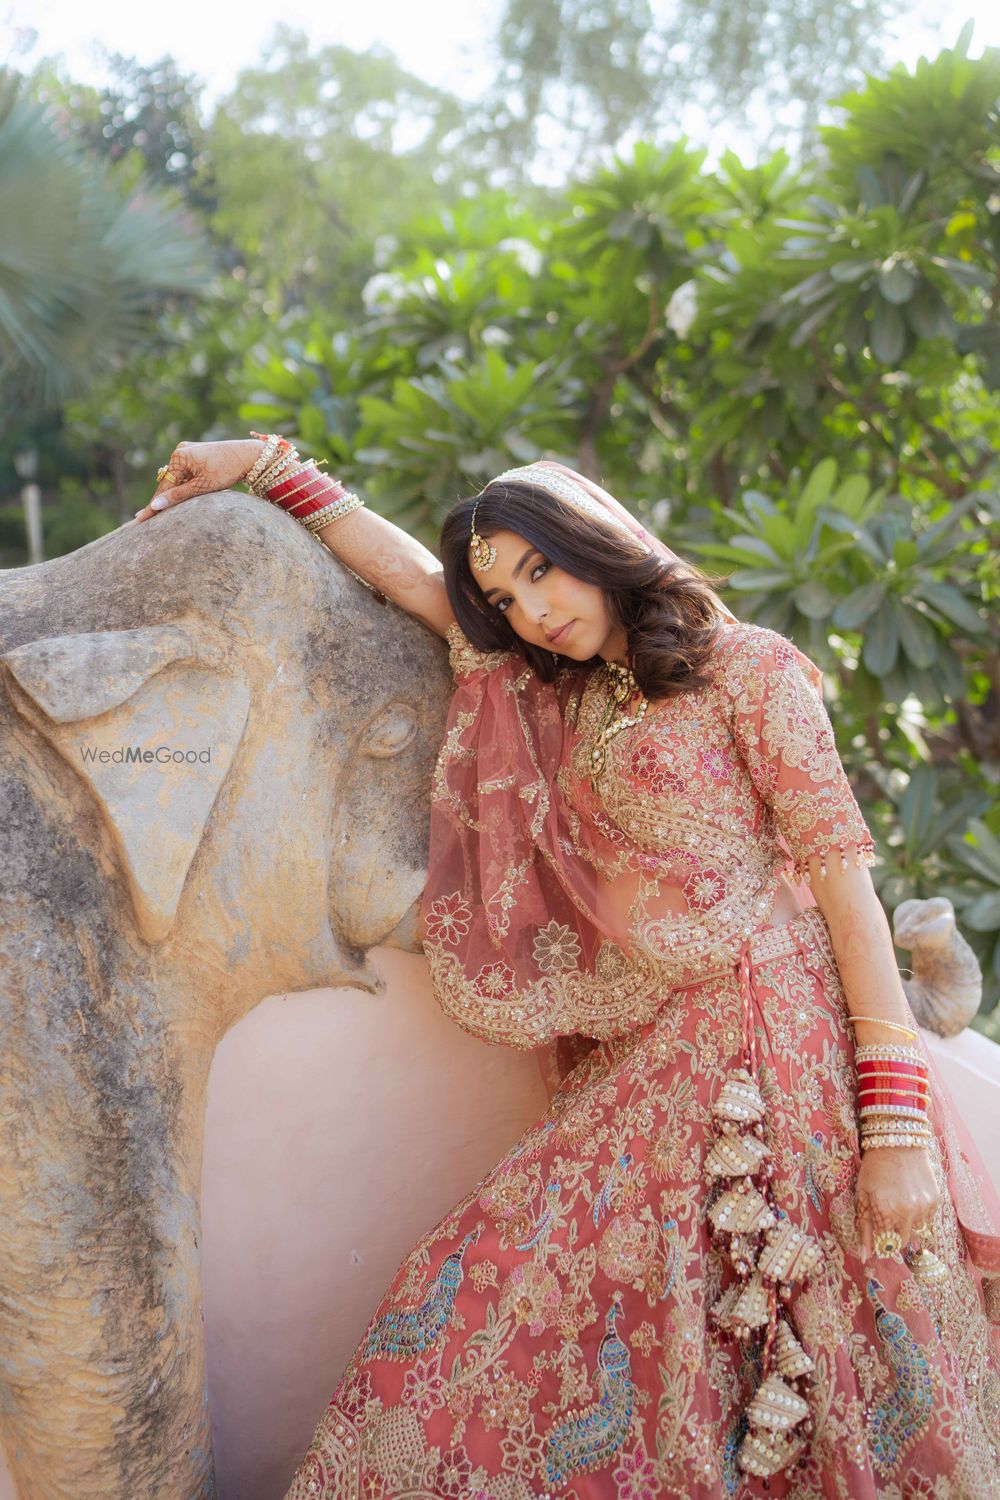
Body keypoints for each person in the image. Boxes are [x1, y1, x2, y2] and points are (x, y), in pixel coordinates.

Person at [133, 440, 1000, 1499]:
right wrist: (269, 466)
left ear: (595, 543)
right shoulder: (557, 697)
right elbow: (417, 583)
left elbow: (848, 900)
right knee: (482, 1303)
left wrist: (896, 1131)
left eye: (541, 569)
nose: (532, 610)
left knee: (802, 1352)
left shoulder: (749, 670)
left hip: (784, 1056)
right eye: (506, 596)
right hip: (652, 1054)